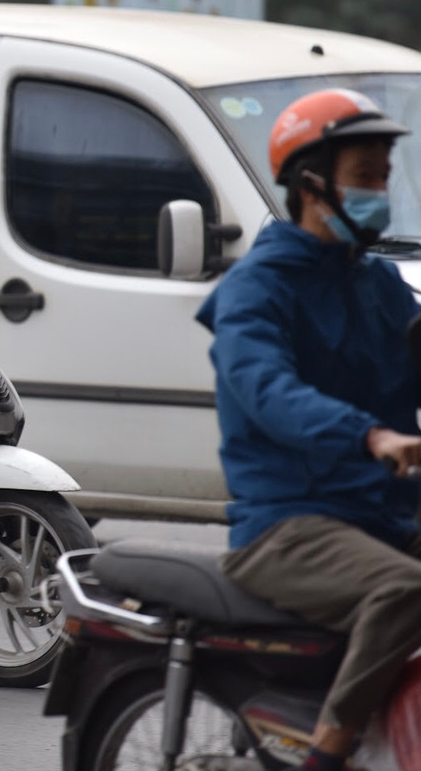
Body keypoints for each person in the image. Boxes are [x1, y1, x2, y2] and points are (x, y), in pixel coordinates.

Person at [196, 88, 421, 771]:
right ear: (310, 184)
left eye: (384, 177)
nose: (378, 192)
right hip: (285, 523)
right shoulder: (255, 290)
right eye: (363, 177)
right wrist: (371, 437)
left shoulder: (376, 283)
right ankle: (331, 747)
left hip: (376, 509)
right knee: (406, 590)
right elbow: (268, 390)